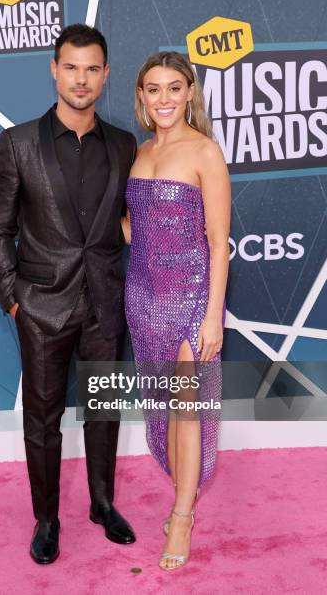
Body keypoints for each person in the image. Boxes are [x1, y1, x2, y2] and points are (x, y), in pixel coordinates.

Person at [0, 24, 136, 565]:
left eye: (92, 68)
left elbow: (124, 222)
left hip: (105, 305)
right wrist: (12, 297)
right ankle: (46, 519)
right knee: (42, 422)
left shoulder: (122, 143)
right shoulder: (17, 142)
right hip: (41, 306)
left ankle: (101, 503)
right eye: (71, 67)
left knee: (105, 410)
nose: (81, 79)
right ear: (54, 69)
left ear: (105, 74)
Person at [123, 51, 230, 570]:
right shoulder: (140, 152)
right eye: (153, 89)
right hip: (143, 296)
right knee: (164, 409)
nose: (163, 98)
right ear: (141, 97)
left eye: (173, 88)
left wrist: (212, 317)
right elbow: (135, 227)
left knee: (186, 409)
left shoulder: (204, 152)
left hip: (190, 297)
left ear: (190, 92)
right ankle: (181, 497)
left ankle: (183, 516)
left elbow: (217, 239)